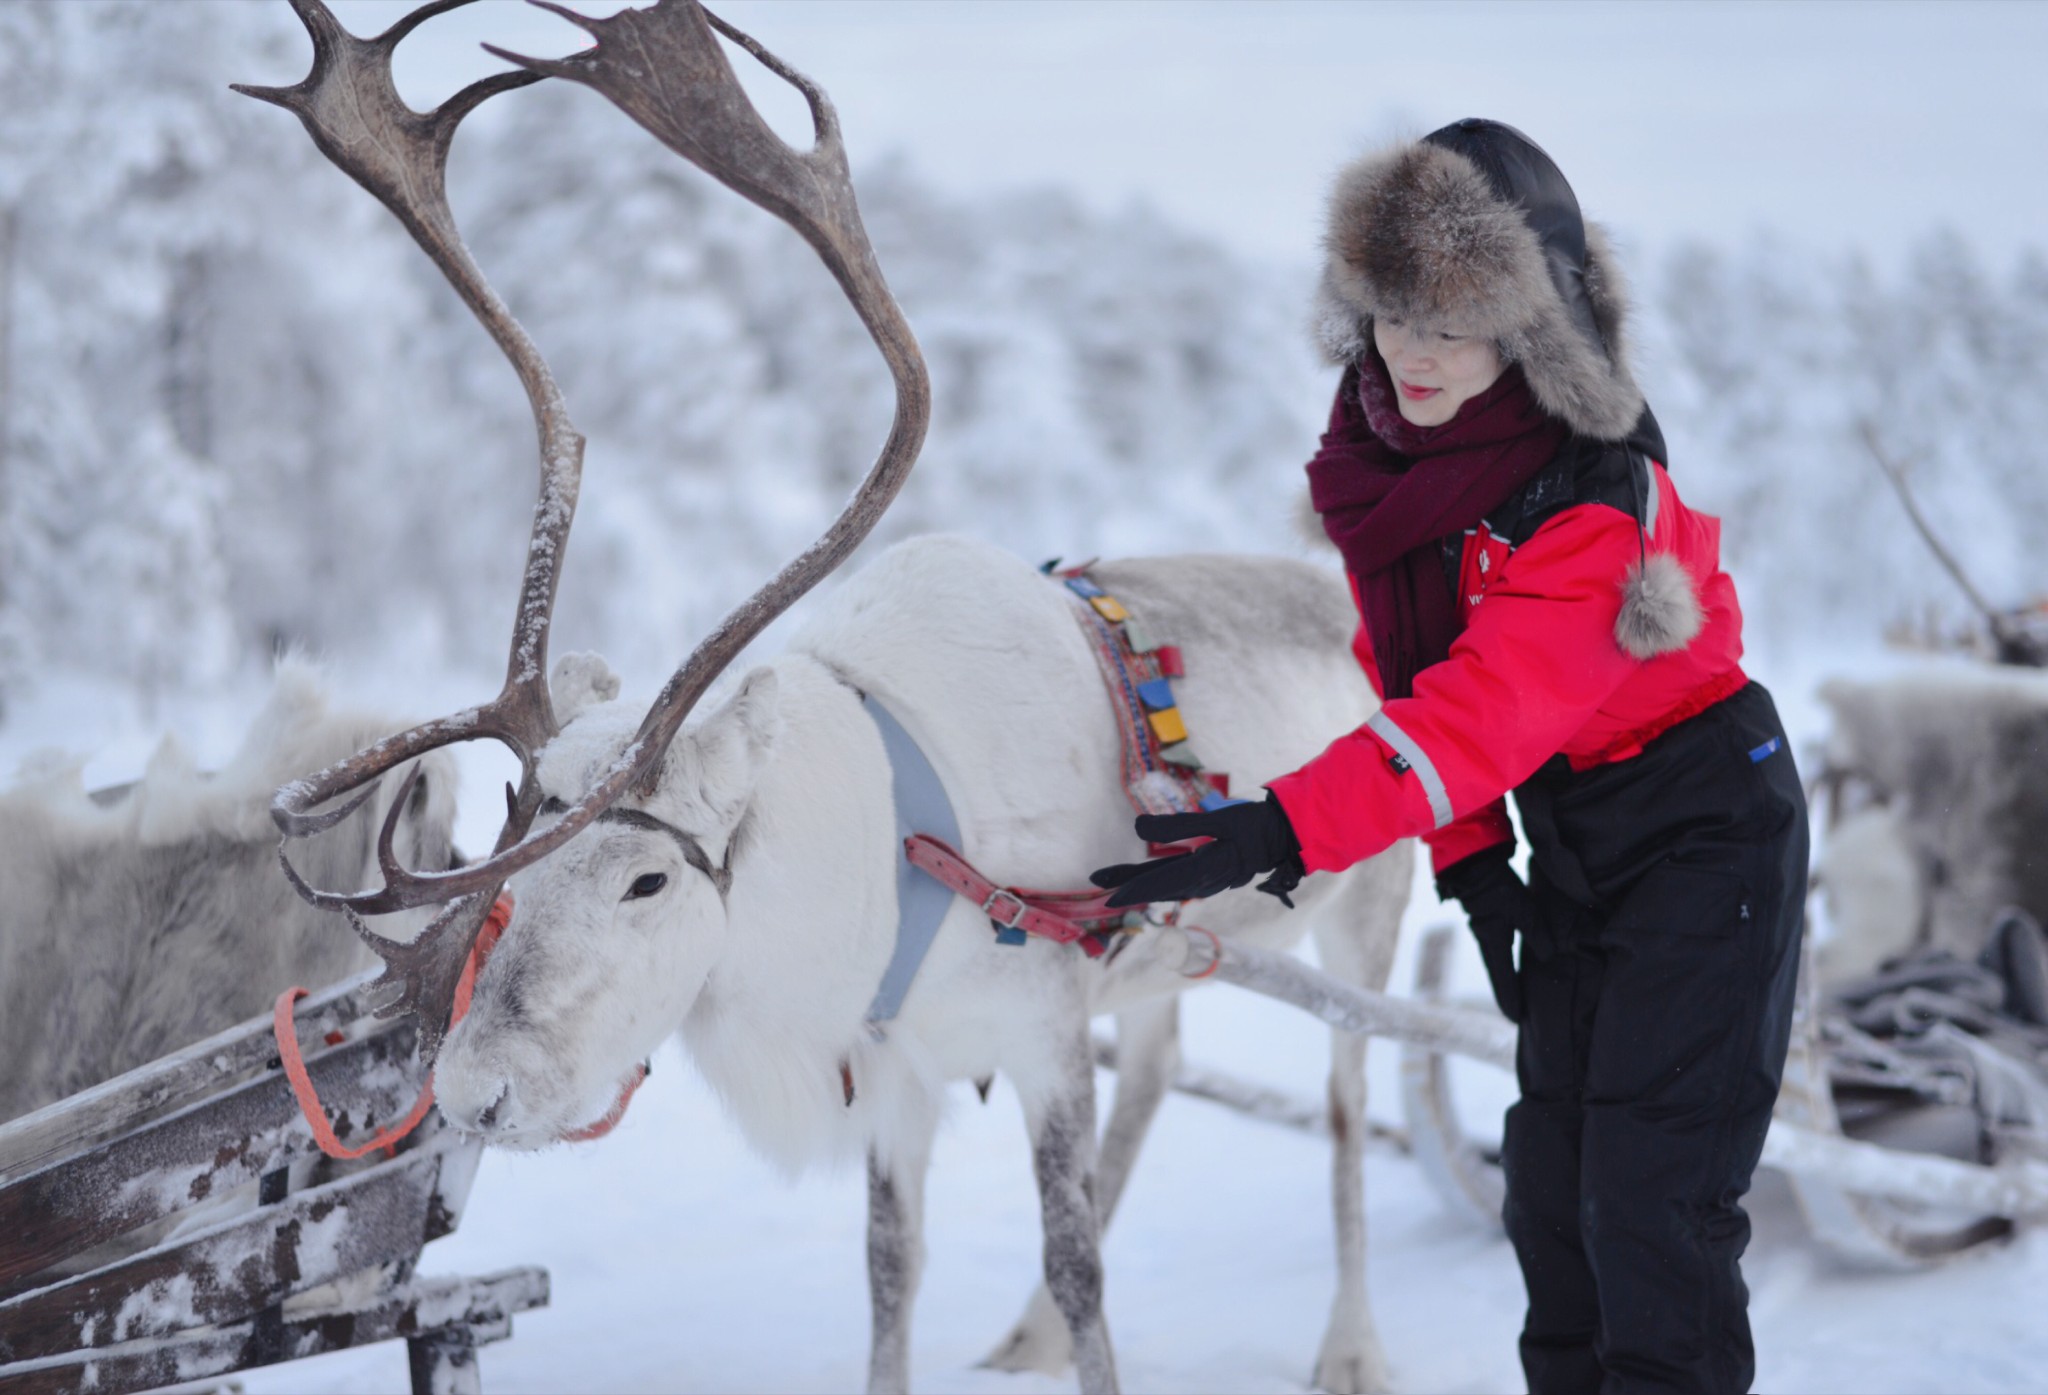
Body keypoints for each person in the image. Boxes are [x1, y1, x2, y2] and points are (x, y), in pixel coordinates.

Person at [1091, 118, 1809, 1395]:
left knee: (1653, 1202)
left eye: (1451, 322)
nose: (1411, 355)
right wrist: (1476, 873)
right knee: (1550, 1192)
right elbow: (1408, 675)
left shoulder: (1592, 502)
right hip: (1580, 827)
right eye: (1388, 315)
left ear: (1527, 330)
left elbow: (1472, 715)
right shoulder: (1395, 474)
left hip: (1707, 831)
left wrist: (1280, 829)